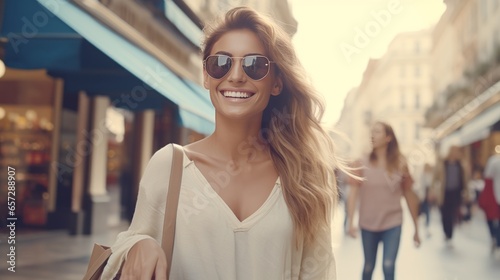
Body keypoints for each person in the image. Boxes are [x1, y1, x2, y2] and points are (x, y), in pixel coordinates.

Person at [102, 6, 341, 280]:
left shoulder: (303, 177)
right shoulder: (170, 166)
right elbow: (129, 242)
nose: (236, 76)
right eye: (220, 63)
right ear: (206, 76)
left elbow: (319, 273)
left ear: (276, 82)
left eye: (255, 64)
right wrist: (138, 244)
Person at [347, 121, 421, 280]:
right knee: (368, 267)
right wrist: (350, 221)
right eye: (371, 131)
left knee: (388, 266)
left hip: (393, 223)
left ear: (388, 137)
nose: (372, 135)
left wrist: (416, 228)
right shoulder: (360, 162)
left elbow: (409, 196)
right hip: (368, 223)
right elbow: (353, 194)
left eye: (377, 132)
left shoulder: (400, 163)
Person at [432, 145, 469, 246]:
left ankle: (450, 233)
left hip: (456, 192)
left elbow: (465, 180)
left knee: (453, 213)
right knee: (445, 213)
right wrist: (432, 191)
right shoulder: (443, 163)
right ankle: (446, 231)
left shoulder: (460, 164)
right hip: (444, 192)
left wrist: (467, 193)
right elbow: (434, 178)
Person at [483, 149, 500, 255]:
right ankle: (496, 239)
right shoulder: (494, 161)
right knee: (492, 218)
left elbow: (487, 177)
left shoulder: (493, 161)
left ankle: (496, 238)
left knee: (492, 218)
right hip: (495, 193)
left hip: (495, 193)